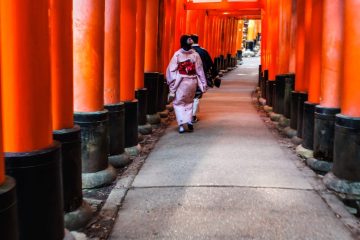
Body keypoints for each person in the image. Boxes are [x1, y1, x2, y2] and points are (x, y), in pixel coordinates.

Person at [166, 35, 207, 133]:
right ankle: (189, 121)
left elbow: (171, 70)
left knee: (178, 102)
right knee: (189, 102)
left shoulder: (177, 54)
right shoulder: (195, 55)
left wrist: (172, 83)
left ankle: (181, 124)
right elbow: (199, 70)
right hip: (192, 81)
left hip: (181, 82)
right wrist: (203, 83)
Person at [190, 34, 219, 123]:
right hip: (200, 76)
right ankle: (192, 116)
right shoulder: (203, 51)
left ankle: (185, 115)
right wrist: (215, 75)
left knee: (187, 96)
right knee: (196, 96)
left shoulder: (187, 51)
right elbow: (211, 64)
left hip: (186, 77)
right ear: (198, 40)